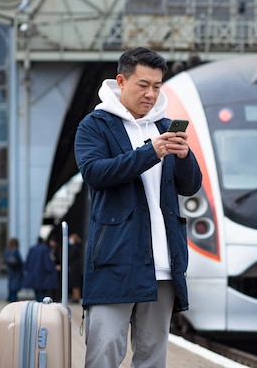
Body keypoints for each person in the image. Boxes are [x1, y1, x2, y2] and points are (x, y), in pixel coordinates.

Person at [74, 47, 202, 368]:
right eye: (143, 85)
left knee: (152, 358)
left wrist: (184, 157)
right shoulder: (94, 125)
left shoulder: (164, 127)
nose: (151, 93)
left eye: (157, 86)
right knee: (104, 354)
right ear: (121, 81)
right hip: (113, 262)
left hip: (163, 266)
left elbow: (190, 186)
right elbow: (95, 173)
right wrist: (150, 153)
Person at [22, 237, 60, 302]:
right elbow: (47, 263)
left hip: (34, 273)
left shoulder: (32, 249)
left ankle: (37, 301)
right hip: (43, 273)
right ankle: (41, 303)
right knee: (43, 291)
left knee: (36, 290)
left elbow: (28, 261)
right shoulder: (45, 249)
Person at [4, 238, 24, 302]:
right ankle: (13, 299)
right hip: (16, 271)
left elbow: (5, 260)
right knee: (15, 287)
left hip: (10, 271)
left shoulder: (7, 251)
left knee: (11, 286)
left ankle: (10, 298)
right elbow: (20, 261)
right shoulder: (16, 251)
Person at [67, 233, 83, 303]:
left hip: (74, 267)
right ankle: (76, 297)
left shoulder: (74, 248)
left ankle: (76, 297)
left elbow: (71, 257)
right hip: (76, 267)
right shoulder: (78, 247)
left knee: (75, 283)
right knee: (75, 282)